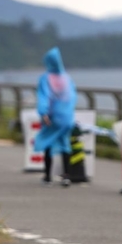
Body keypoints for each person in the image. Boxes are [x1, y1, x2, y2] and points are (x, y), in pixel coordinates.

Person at [33, 47, 77, 187]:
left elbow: (43, 97)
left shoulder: (46, 78)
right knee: (65, 145)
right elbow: (72, 97)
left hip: (52, 117)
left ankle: (47, 176)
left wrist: (43, 113)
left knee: (48, 143)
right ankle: (66, 176)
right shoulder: (67, 78)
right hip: (66, 117)